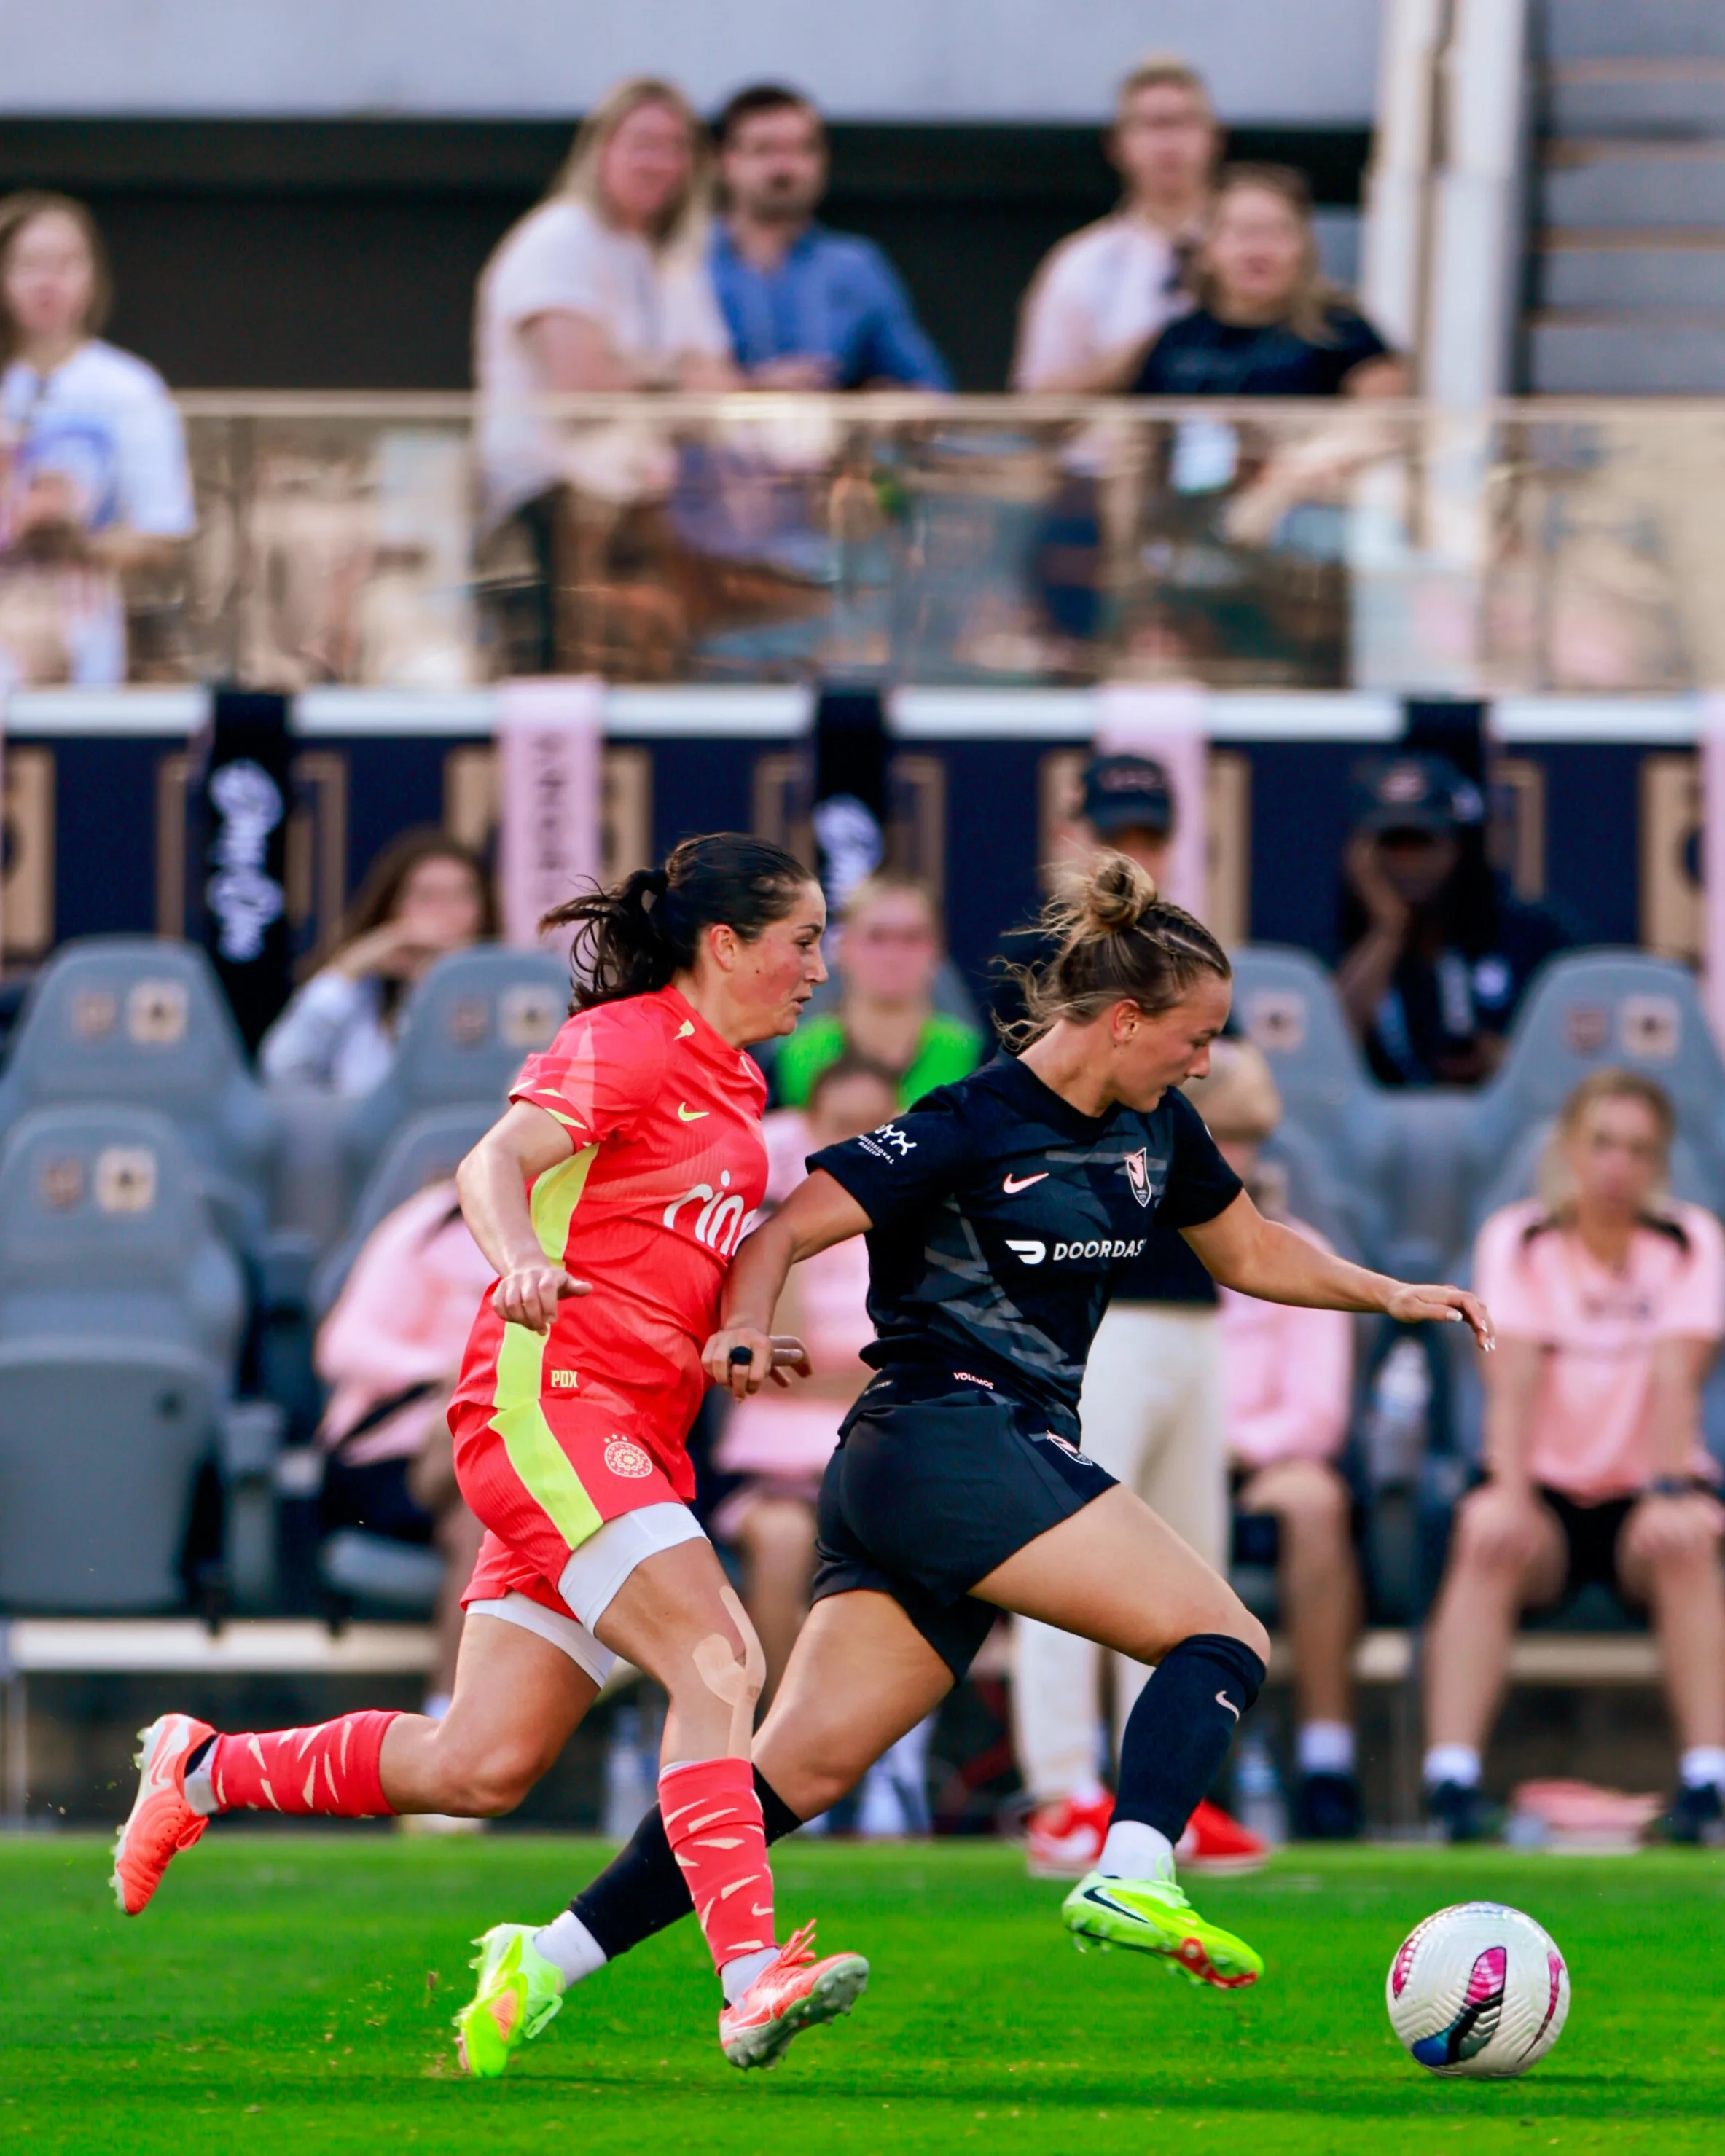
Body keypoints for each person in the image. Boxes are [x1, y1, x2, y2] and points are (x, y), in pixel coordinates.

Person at [461, 854, 1493, 2069]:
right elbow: (792, 1217)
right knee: (1220, 1637)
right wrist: (742, 1321)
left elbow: (1252, 1248)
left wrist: (1389, 1293)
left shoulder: (1156, 1127)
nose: (1203, 1059)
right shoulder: (968, 1117)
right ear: (1120, 1020)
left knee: (795, 1768)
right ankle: (1130, 1867)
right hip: (948, 1434)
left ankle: (548, 1951)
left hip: (944, 1467)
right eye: (1193, 1034)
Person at [111, 834, 869, 2077]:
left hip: (631, 1430)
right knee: (722, 1655)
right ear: (725, 944)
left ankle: (202, 1766)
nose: (817, 967)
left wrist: (734, 1335)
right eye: (802, 940)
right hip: (550, 1404)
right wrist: (517, 1251)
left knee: (480, 1764)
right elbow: (493, 1159)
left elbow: (669, 1246)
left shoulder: (734, 1082)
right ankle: (747, 1977)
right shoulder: (626, 1037)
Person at [1009, 755, 1263, 1877]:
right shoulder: (1039, 962)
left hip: (1188, 1300)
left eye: (1149, 828)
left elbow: (1253, 1093)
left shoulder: (1189, 964)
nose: (1138, 847)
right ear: (1076, 831)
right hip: (1090, 1306)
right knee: (1071, 1556)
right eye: (1117, 828)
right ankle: (1062, 1786)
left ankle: (1152, 1800)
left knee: (1187, 1562)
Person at [1421, 1070, 1725, 1846]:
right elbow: (1512, 1377)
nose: (1618, 1165)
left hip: (1643, 1490)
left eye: (1638, 1150)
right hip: (1544, 1486)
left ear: (1657, 1163)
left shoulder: (1691, 1241)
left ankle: (1707, 1782)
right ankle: (1451, 1782)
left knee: (1690, 1543)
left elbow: (1676, 1376)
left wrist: (1665, 1491)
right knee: (1486, 1535)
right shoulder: (1517, 1238)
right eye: (1603, 1145)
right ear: (1569, 1150)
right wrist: (1512, 1497)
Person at [474, 77, 737, 670]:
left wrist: (645, 374)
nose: (661, 163)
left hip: (642, 516)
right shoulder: (558, 239)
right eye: (643, 143)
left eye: (675, 147)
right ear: (600, 150)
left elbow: (718, 387)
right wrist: (670, 376)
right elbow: (582, 387)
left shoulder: (666, 258)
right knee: (559, 706)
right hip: (545, 522)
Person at [1186, 1040, 1359, 1840]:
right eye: (1220, 1135)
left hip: (1254, 1468)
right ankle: (1100, 1759)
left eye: (1249, 1138)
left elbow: (1317, 1414)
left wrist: (1224, 1445)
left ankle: (1328, 1760)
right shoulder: (1122, 1247)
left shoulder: (1300, 1249)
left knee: (1317, 1502)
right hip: (1149, 1461)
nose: (1236, 1157)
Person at [715, 1056, 898, 1703]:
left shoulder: (925, 1232)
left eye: (875, 1128)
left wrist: (831, 1372)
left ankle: (889, 1741)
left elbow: (919, 1366)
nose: (858, 1144)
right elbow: (769, 1363)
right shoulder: (771, 1226)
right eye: (842, 1127)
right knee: (785, 1541)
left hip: (884, 1460)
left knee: (914, 1540)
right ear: (810, 1131)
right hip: (778, 1469)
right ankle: (777, 1731)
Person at [315, 1179, 496, 1748]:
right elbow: (341, 1343)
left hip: (494, 1483)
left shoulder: (586, 1238)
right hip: (390, 1459)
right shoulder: (435, 1219)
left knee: (484, 1527)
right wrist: (443, 1367)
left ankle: (450, 1733)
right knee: (480, 1403)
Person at [0, 192, 195, 685]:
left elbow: (162, 532)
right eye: (29, 264)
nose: (48, 282)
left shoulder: (129, 387)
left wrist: (77, 541)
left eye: (66, 264)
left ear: (93, 275)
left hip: (80, 614)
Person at [1337, 754, 1572, 1087]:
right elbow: (1327, 1044)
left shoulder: (1530, 933)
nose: (1408, 861)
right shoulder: (1341, 936)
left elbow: (1583, 1051)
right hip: (1375, 1134)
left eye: (1423, 842)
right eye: (1392, 843)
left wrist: (1509, 1059)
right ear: (1361, 857)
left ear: (1459, 847)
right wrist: (1388, 930)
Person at [708, 84, 950, 391]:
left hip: (827, 436)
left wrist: (877, 401)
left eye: (802, 149)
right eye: (764, 149)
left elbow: (928, 388)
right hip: (707, 438)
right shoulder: (684, 262)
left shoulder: (855, 266)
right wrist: (755, 388)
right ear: (724, 161)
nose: (785, 168)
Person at [1012, 56, 1218, 394]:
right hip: (1105, 446)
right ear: (1117, 145)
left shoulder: (1259, 250)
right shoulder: (1079, 262)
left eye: (1184, 122)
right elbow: (1034, 404)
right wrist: (1138, 358)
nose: (1169, 143)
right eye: (1152, 124)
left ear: (1214, 137)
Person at [1130, 165, 1405, 400]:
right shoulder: (1177, 340)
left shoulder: (1344, 334)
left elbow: (1384, 421)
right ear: (1207, 250)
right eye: (1242, 233)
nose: (1259, 251)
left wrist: (1318, 458)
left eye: (1276, 232)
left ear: (1303, 248)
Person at [259, 829, 495, 1095]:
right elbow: (281, 1069)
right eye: (428, 897)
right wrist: (347, 970)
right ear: (392, 907)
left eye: (462, 896)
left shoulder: (511, 990)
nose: (447, 913)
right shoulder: (361, 992)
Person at [773, 872, 982, 1112]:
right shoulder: (798, 1057)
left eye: (912, 938)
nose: (893, 957)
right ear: (843, 948)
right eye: (876, 938)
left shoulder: (972, 1058)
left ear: (937, 950)